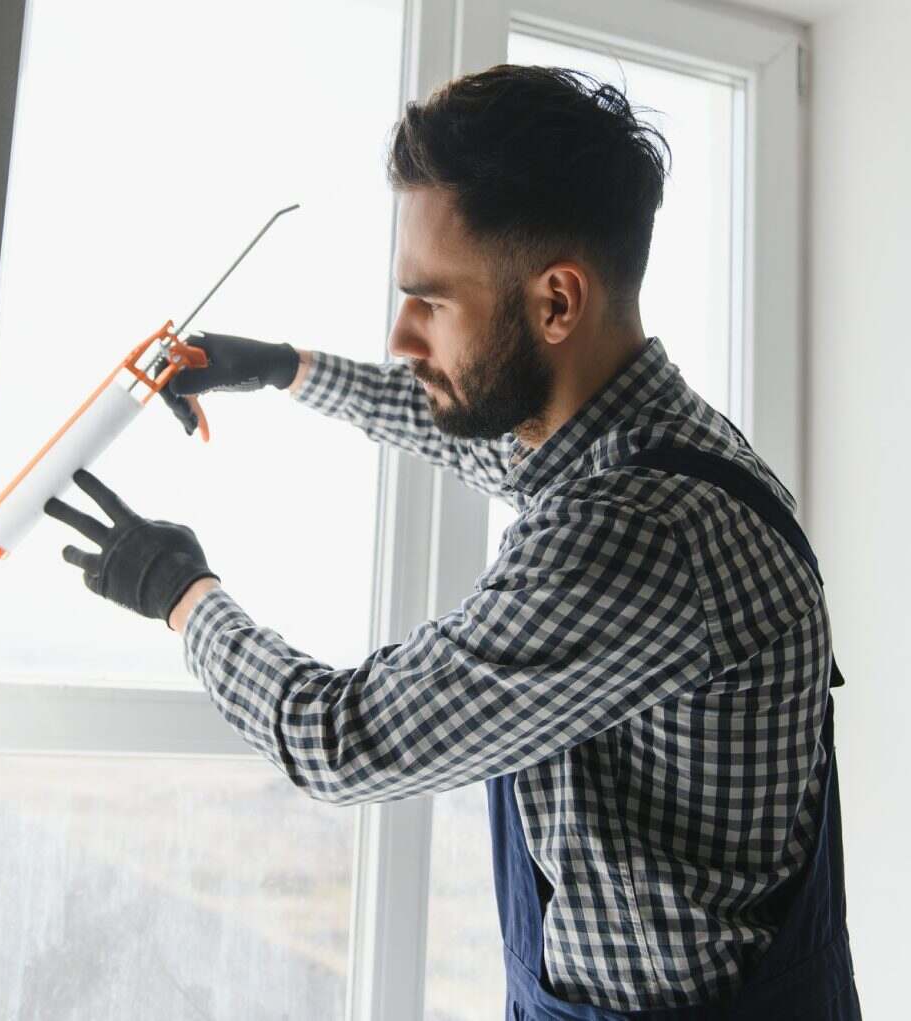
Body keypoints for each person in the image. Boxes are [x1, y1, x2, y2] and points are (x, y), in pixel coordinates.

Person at [44, 65, 858, 1018]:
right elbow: (465, 427)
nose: (402, 336)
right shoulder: (652, 443)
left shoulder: (636, 534)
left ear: (557, 303)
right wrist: (282, 368)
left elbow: (342, 740)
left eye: (431, 301)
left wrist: (179, 590)